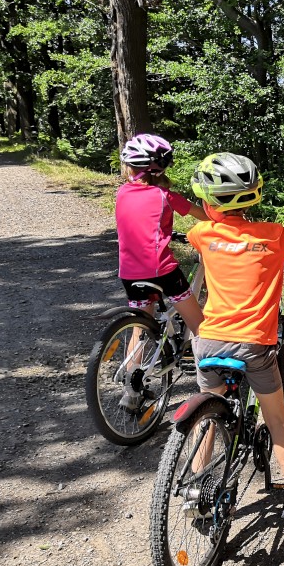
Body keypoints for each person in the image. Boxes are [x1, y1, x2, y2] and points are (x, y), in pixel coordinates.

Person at [187, 152, 284, 520]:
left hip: (208, 340)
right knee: (277, 416)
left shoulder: (202, 234)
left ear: (209, 204)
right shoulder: (275, 235)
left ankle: (194, 487)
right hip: (253, 343)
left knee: (208, 409)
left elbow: (204, 234)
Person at [115, 133, 208, 410]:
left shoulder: (121, 193)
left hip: (129, 273)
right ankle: (213, 387)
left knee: (140, 327)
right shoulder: (166, 196)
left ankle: (130, 392)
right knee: (199, 327)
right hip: (162, 270)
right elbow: (205, 217)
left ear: (130, 167)